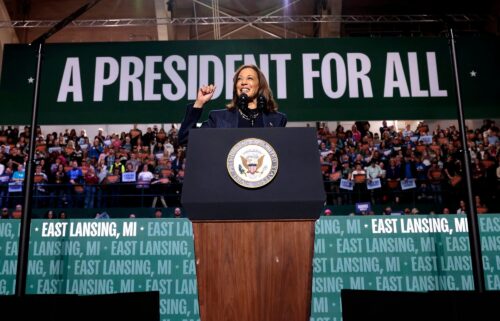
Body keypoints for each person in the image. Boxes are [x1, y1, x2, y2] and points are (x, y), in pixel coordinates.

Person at [178, 64, 287, 145]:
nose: (243, 82)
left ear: (260, 85)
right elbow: (186, 139)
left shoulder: (277, 119)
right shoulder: (219, 119)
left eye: (250, 78)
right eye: (239, 79)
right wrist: (199, 103)